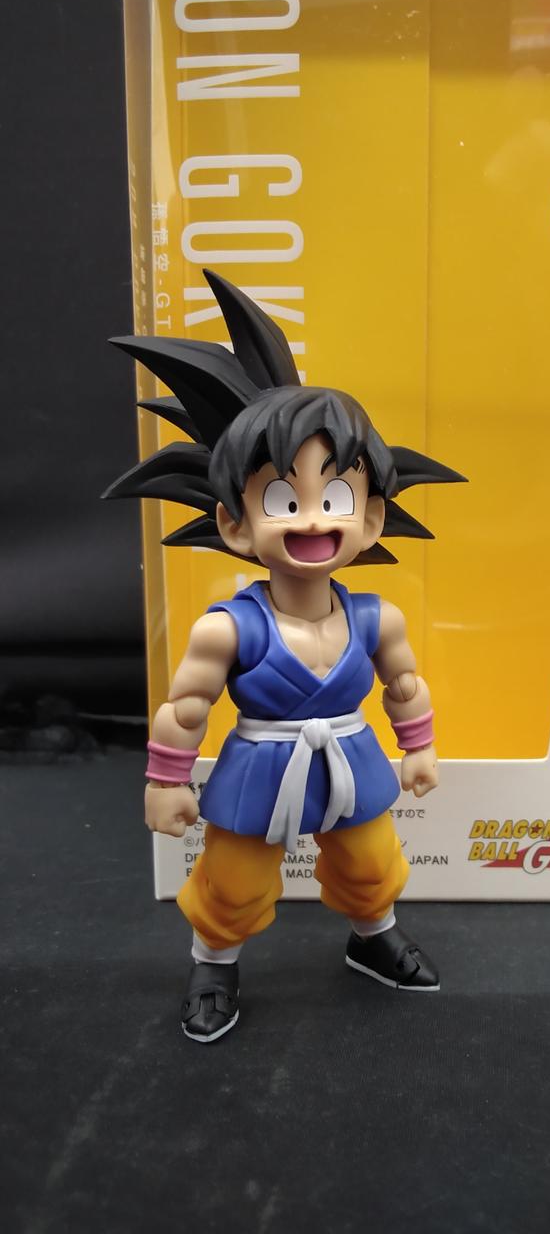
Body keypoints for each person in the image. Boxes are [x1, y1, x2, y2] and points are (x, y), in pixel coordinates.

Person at [105, 272, 464, 1041]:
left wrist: (421, 746)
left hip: (351, 759)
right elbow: (186, 707)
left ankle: (374, 938)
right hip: (259, 768)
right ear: (235, 523)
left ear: (370, 518)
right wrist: (165, 782)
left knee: (372, 865)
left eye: (333, 498)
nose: (310, 520)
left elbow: (403, 683)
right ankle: (214, 964)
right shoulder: (228, 629)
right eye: (281, 500)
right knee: (232, 883)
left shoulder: (376, 617)